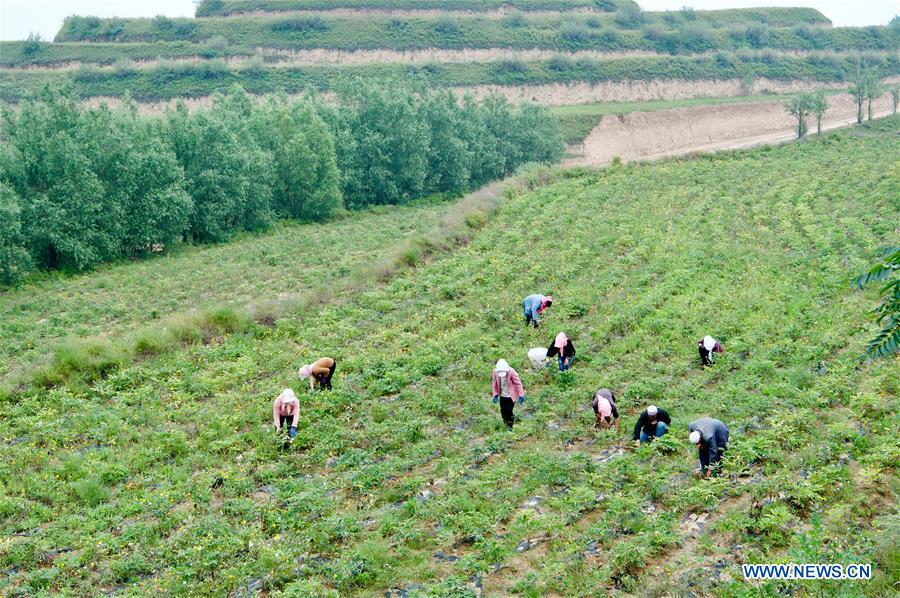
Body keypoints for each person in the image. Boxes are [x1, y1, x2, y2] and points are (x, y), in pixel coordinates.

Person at [492, 359, 525, 429]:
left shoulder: (512, 371)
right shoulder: (495, 372)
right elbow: (494, 383)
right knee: (503, 411)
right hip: (502, 395)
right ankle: (506, 424)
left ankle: (510, 426)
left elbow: (518, 383)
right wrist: (495, 394)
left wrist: (521, 395)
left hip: (511, 396)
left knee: (508, 411)